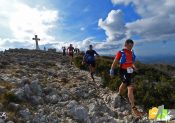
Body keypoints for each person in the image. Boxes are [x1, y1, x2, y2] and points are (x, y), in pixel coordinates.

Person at [110, 39, 143, 117]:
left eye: (132, 46)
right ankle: (133, 107)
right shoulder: (121, 52)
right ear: (126, 44)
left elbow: (132, 63)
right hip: (122, 71)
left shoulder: (131, 53)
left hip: (129, 72)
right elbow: (115, 61)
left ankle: (121, 95)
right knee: (128, 86)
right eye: (130, 45)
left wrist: (134, 68)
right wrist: (111, 70)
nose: (131, 47)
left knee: (127, 85)